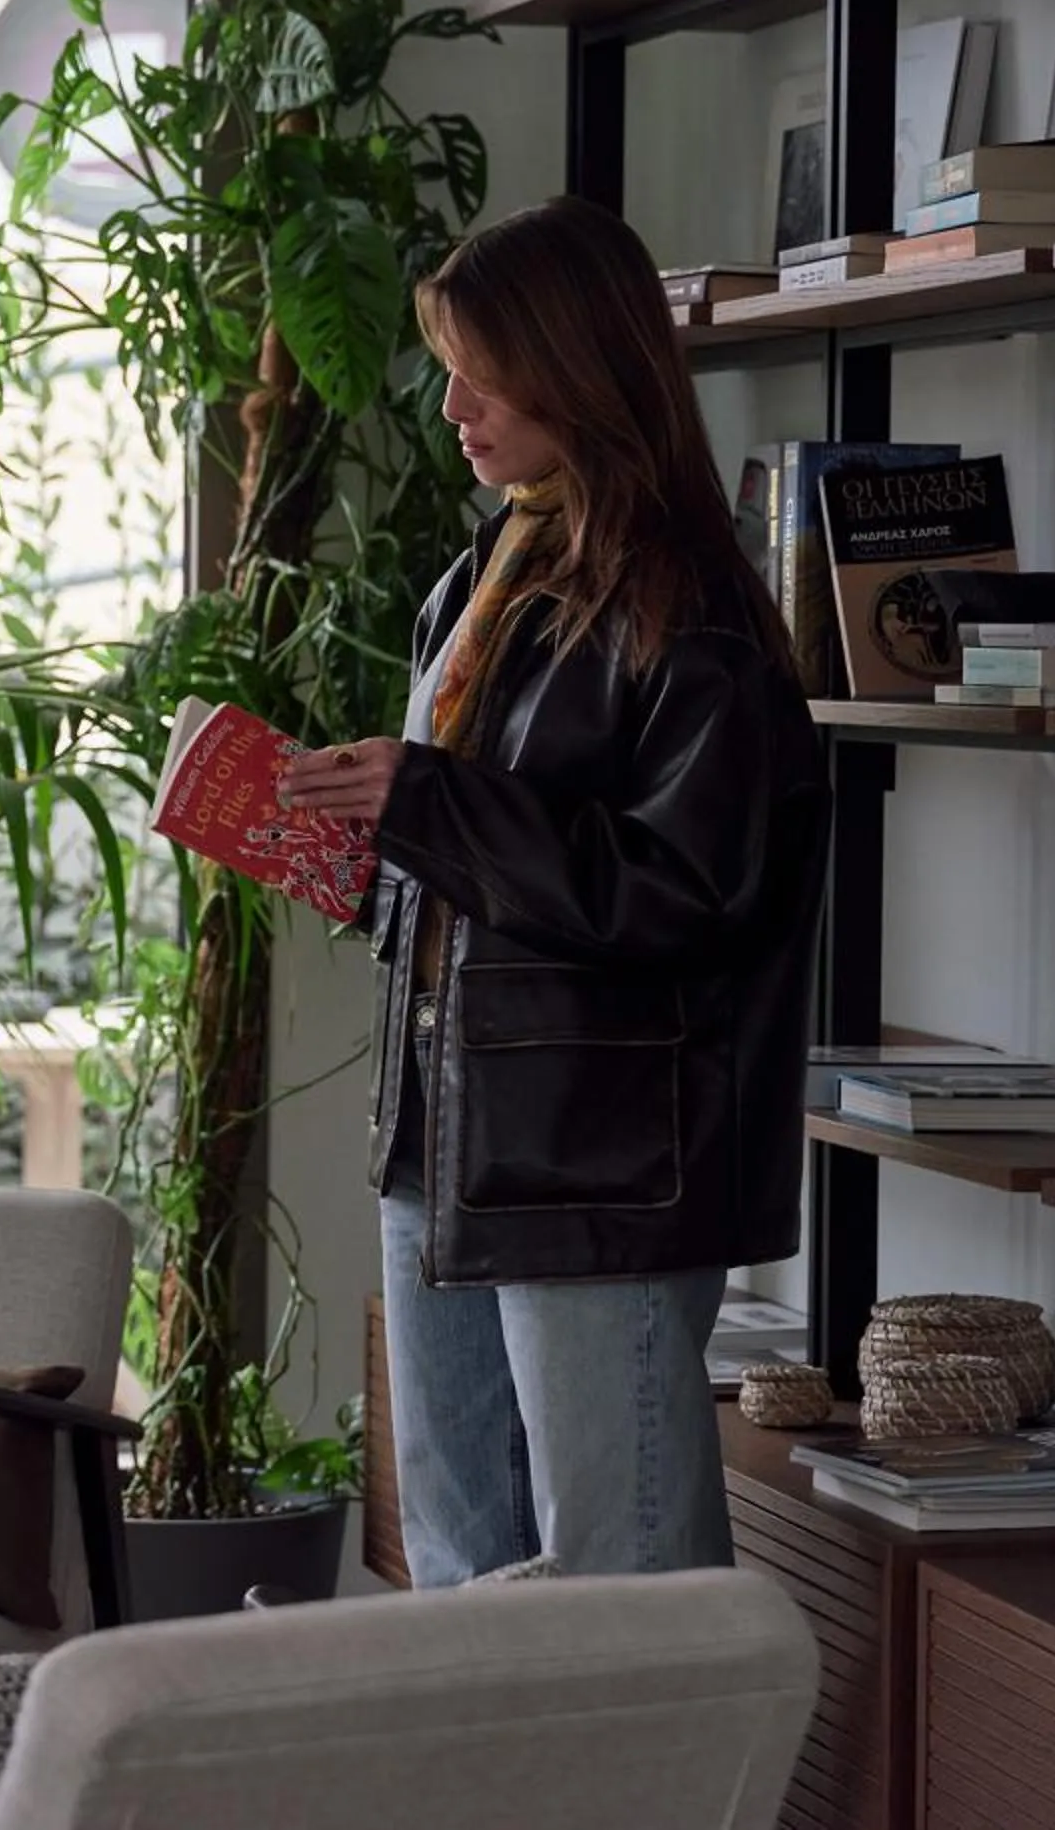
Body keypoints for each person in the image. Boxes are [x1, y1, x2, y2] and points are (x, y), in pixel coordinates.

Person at [274, 194, 828, 1586]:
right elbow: (479, 868)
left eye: (480, 365)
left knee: (619, 1578)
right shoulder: (484, 578)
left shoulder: (690, 612)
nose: (452, 402)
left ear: (574, 361)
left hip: (594, 1166)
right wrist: (355, 849)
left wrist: (426, 802)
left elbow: (683, 892)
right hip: (440, 1146)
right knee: (463, 1563)